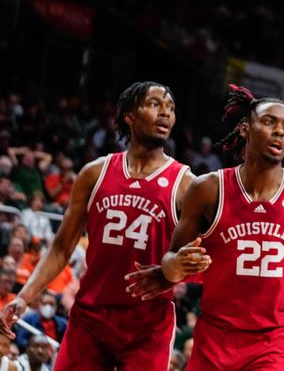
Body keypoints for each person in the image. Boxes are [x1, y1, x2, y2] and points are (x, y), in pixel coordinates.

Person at [127, 85, 284, 371]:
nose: (280, 132)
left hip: (272, 342)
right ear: (245, 129)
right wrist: (175, 267)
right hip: (213, 338)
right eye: (269, 122)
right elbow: (172, 259)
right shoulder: (208, 189)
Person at [0, 81, 201, 370]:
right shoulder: (95, 173)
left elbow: (199, 257)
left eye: (170, 107)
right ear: (129, 115)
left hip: (148, 325)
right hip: (91, 317)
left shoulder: (185, 184)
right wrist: (24, 297)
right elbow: (61, 247)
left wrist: (172, 273)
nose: (165, 113)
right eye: (155, 104)